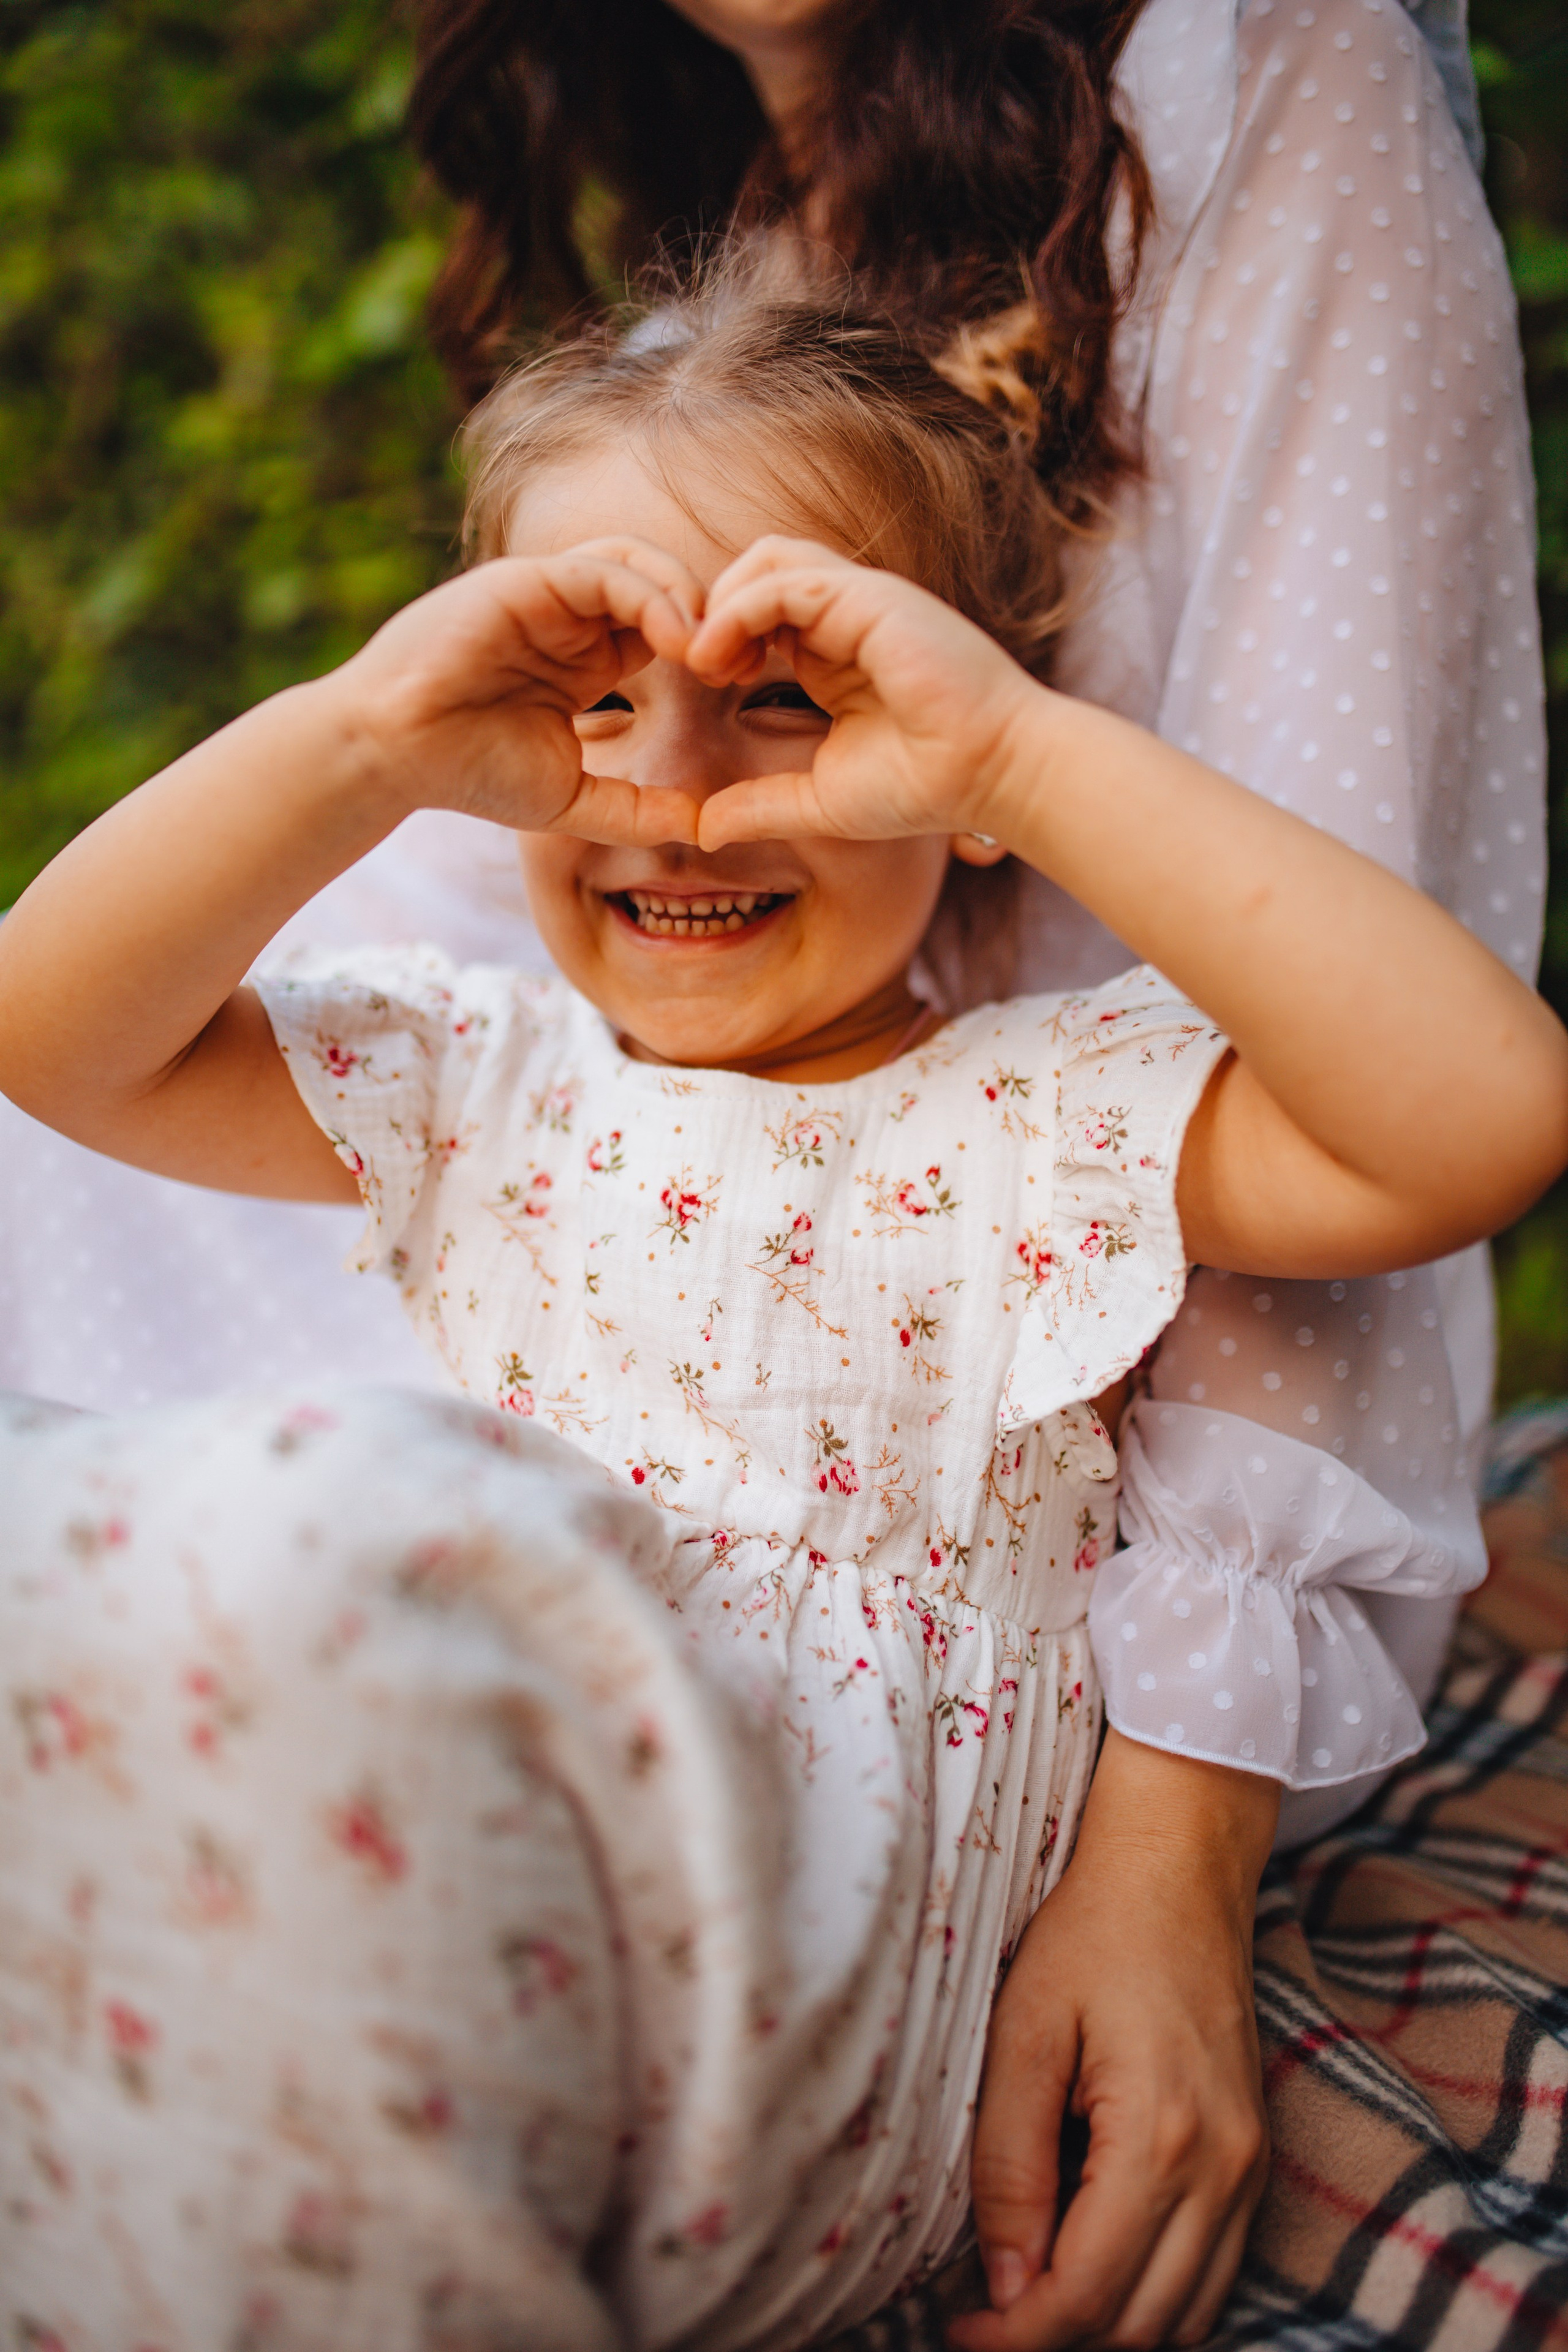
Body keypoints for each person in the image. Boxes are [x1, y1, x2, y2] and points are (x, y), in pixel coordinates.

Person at [1, 275, 1562, 2352]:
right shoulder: (481, 1081)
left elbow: (1483, 1115)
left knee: (308, 1531)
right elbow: (52, 1029)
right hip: (449, 1903)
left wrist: (1017, 744)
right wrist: (370, 739)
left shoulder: (1053, 1109)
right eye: (589, 688)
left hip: (808, 2013)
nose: (678, 785)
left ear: (960, 761)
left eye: (792, 695)